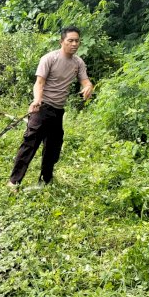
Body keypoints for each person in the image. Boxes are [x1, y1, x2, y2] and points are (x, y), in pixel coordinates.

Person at [8, 26, 94, 187]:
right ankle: (14, 182)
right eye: (70, 40)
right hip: (42, 108)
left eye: (77, 41)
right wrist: (37, 100)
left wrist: (88, 87)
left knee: (53, 147)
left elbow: (85, 81)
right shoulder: (49, 58)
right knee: (29, 144)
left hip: (58, 111)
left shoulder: (78, 62)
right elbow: (39, 83)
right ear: (61, 41)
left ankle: (45, 180)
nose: (74, 44)